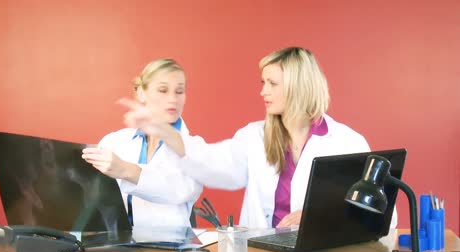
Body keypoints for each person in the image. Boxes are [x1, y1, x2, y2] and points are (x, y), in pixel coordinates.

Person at [119, 47, 397, 229]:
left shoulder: (347, 142)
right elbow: (211, 163)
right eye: (262, 83)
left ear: (299, 87)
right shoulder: (254, 137)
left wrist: (320, 217)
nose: (263, 91)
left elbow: (384, 216)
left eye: (272, 84)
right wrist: (165, 131)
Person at [82, 58, 202, 227]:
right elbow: (92, 201)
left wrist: (125, 169)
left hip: (170, 250)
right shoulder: (113, 142)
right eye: (163, 90)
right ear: (141, 93)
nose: (173, 99)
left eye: (179, 91)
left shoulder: (194, 146)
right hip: (115, 249)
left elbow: (179, 189)